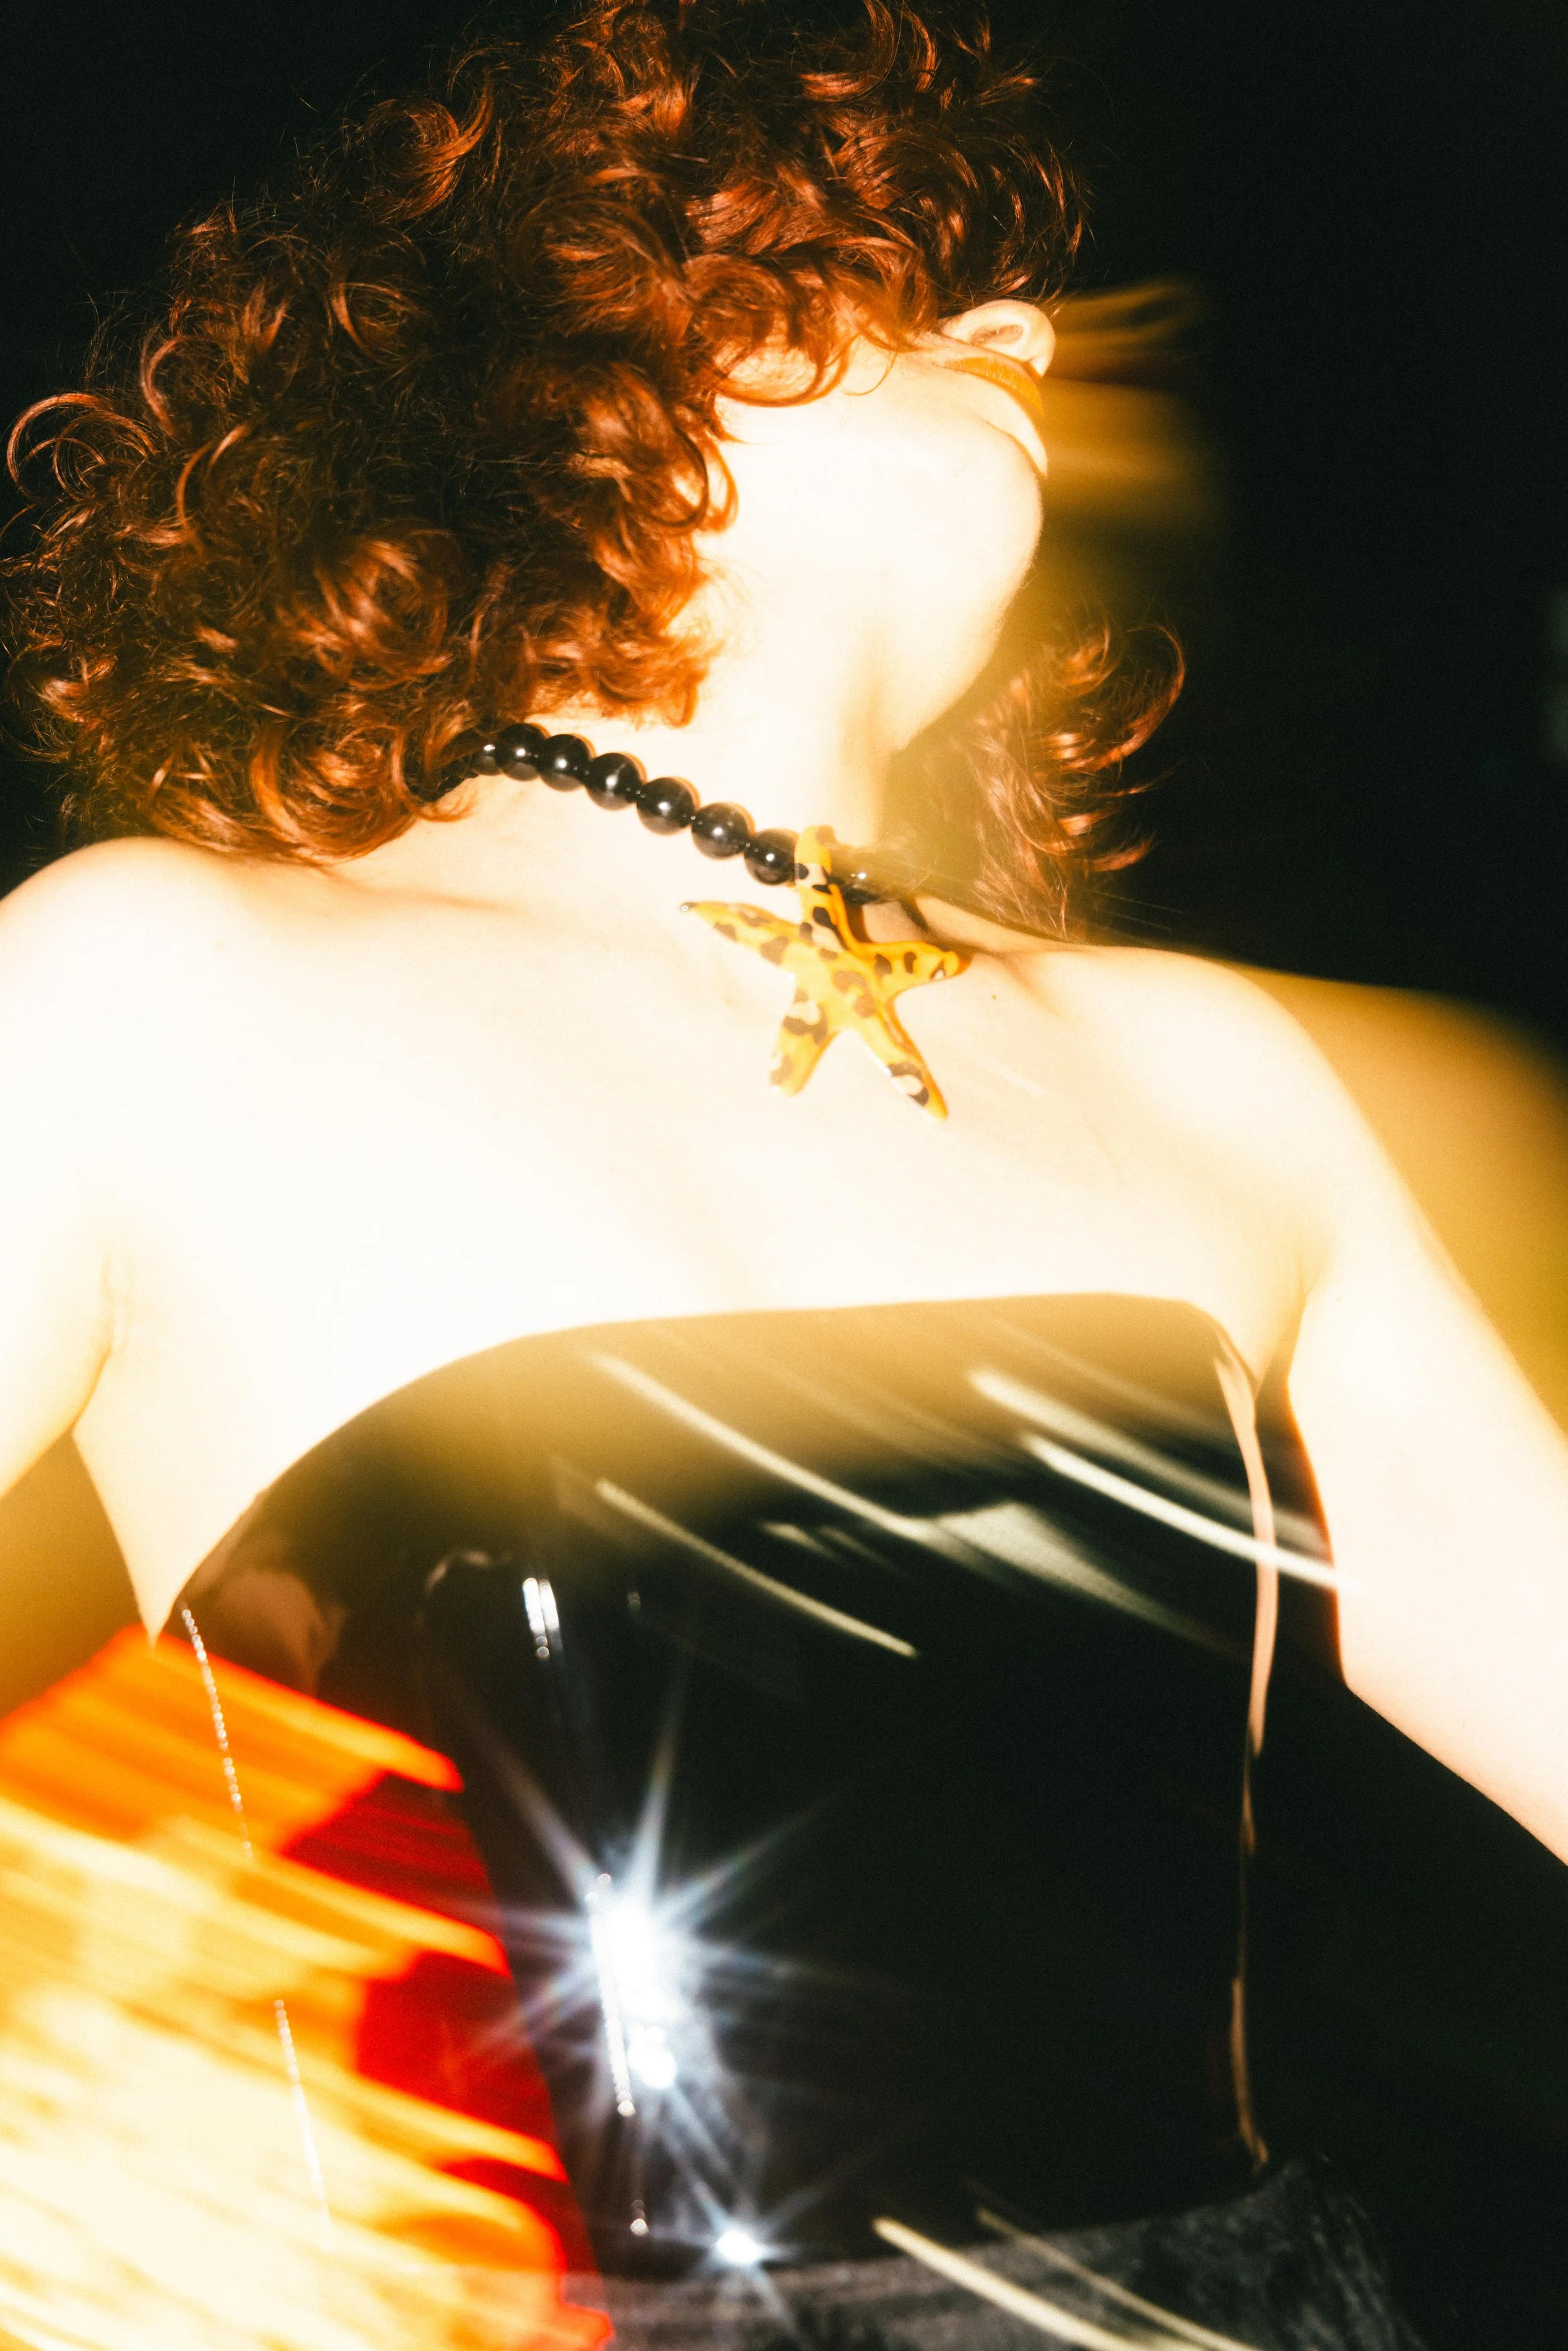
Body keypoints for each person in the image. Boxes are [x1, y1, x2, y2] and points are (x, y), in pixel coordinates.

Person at [2, 4, 1565, 2345]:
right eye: (907, 282)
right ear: (592, 359)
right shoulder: (153, 979)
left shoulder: (1214, 1072)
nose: (1035, 334)